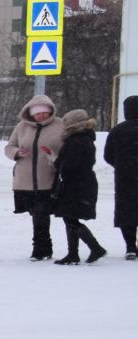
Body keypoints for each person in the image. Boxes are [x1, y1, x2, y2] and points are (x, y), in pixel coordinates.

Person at [6, 95, 63, 261]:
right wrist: (17, 153)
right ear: (31, 114)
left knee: (41, 215)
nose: (41, 116)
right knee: (36, 215)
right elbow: (9, 147)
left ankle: (41, 249)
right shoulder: (22, 127)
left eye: (45, 112)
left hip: (47, 180)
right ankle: (43, 248)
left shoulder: (60, 125)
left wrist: (53, 156)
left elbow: (67, 150)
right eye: (38, 113)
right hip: (24, 181)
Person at [50, 109, 106, 265]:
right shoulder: (85, 138)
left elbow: (69, 165)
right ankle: (73, 254)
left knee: (70, 217)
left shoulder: (75, 141)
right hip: (82, 182)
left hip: (76, 184)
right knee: (70, 217)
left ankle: (95, 248)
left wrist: (55, 160)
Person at [104, 95, 138, 259]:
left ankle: (131, 247)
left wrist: (122, 166)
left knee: (127, 213)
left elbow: (108, 155)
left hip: (125, 178)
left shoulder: (117, 130)